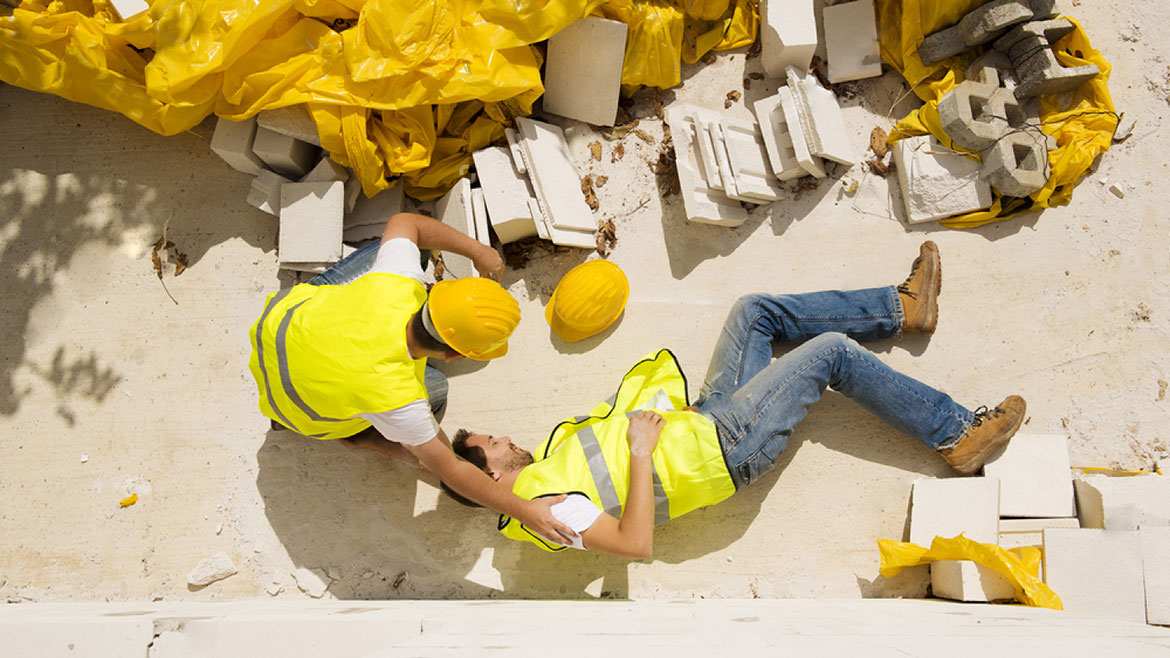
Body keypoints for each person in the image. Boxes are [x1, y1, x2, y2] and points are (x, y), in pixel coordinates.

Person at [450, 242, 1025, 557]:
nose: (501, 438)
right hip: (729, 447)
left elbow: (612, 441)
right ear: (490, 480)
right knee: (831, 353)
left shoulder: (545, 470)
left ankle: (903, 309)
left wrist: (667, 420)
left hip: (704, 420)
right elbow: (636, 544)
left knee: (754, 311)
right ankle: (956, 434)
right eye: (489, 446)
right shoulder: (545, 509)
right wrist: (645, 450)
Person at [248, 210, 576, 544]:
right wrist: (525, 511)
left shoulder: (399, 283)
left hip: (279, 325)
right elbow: (452, 470)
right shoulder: (399, 398)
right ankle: (305, 426)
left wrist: (478, 251)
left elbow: (408, 222)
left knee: (410, 246)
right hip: (294, 408)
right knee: (436, 388)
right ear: (454, 355)